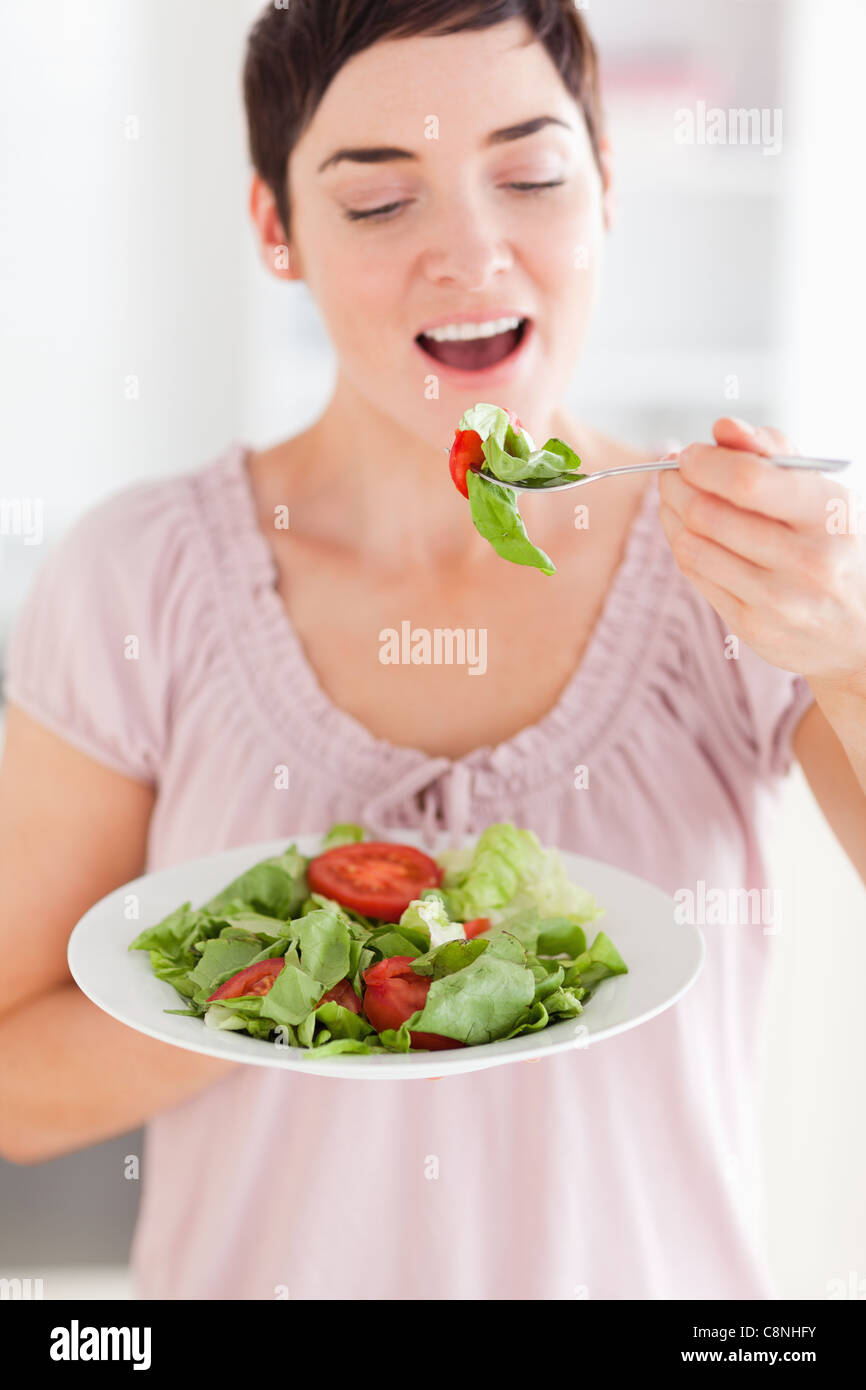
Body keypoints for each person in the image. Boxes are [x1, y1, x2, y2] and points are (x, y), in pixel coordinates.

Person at [1, 0, 864, 1300]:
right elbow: (14, 1084)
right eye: (375, 202)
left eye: (527, 175)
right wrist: (334, 986)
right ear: (274, 230)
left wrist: (851, 653)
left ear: (606, 186)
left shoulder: (735, 567)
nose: (470, 251)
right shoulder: (136, 578)